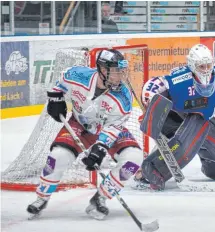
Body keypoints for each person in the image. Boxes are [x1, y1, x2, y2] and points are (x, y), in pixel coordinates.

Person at [26, 49, 143, 220]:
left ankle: (100, 198)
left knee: (134, 158)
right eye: (117, 71)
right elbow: (60, 82)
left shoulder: (124, 96)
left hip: (107, 129)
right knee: (58, 156)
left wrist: (100, 148)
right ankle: (42, 198)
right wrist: (56, 98)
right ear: (103, 70)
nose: (121, 75)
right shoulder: (78, 75)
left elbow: (114, 126)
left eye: (122, 70)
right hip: (79, 125)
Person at [133, 44, 215, 191]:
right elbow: (155, 84)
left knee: (207, 129)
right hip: (173, 118)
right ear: (192, 66)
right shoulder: (180, 80)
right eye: (202, 66)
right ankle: (150, 170)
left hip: (199, 119)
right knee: (188, 132)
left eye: (209, 65)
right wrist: (151, 103)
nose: (206, 70)